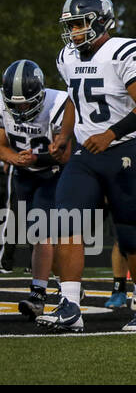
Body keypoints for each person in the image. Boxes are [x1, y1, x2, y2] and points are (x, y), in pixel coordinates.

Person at [40, 0, 136, 333]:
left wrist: (110, 134)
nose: (74, 30)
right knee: (65, 218)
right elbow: (76, 98)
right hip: (86, 153)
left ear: (101, 21)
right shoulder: (67, 56)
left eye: (80, 23)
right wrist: (65, 134)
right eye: (71, 24)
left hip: (124, 151)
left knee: (131, 233)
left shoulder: (125, 50)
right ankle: (70, 305)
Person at [0, 59, 70, 320]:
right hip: (23, 173)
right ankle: (67, 286)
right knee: (33, 233)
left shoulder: (58, 103)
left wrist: (39, 159)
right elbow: (1, 145)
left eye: (26, 103)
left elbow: (67, 155)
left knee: (42, 232)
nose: (19, 109)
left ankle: (38, 294)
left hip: (52, 173)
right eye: (14, 103)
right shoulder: (1, 102)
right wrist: (15, 158)